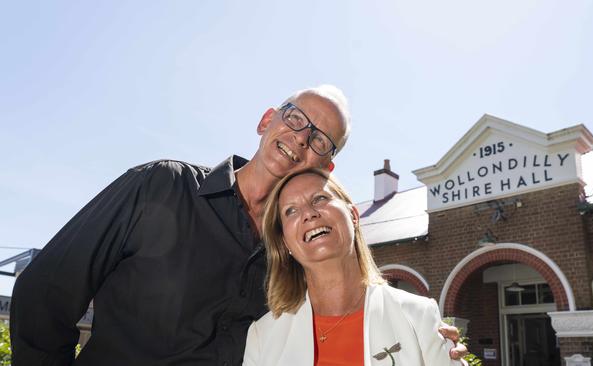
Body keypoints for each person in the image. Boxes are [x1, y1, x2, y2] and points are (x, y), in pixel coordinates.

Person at [10, 85, 465, 366]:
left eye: (319, 138)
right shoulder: (160, 186)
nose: (300, 138)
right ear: (268, 120)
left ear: (325, 165)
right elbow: (43, 293)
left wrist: (422, 338)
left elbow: (340, 318)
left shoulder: (296, 253)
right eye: (295, 119)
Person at [244, 168, 463, 366]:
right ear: (285, 242)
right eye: (291, 210)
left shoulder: (418, 315)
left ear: (353, 215)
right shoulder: (262, 336)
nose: (308, 214)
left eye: (320, 198)